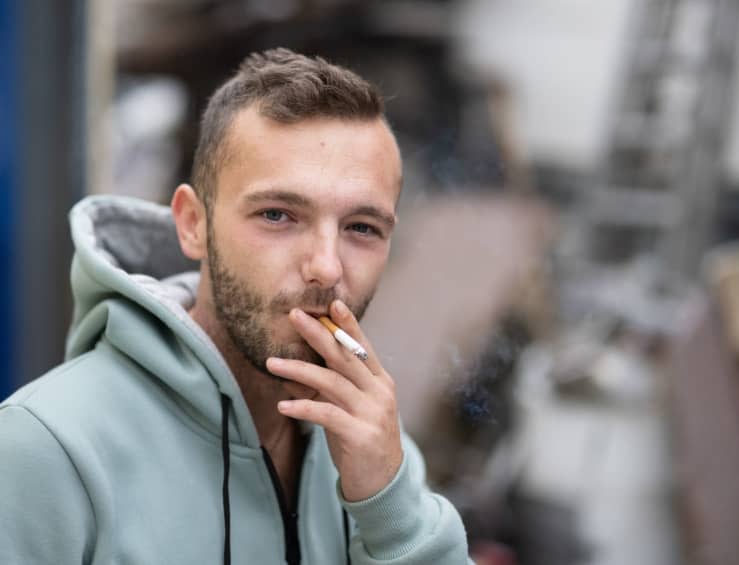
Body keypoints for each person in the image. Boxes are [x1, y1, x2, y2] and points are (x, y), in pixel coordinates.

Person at [0, 48, 471, 564]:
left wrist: (393, 511)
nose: (327, 267)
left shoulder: (371, 439)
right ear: (192, 224)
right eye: (277, 215)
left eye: (362, 228)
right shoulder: (48, 447)